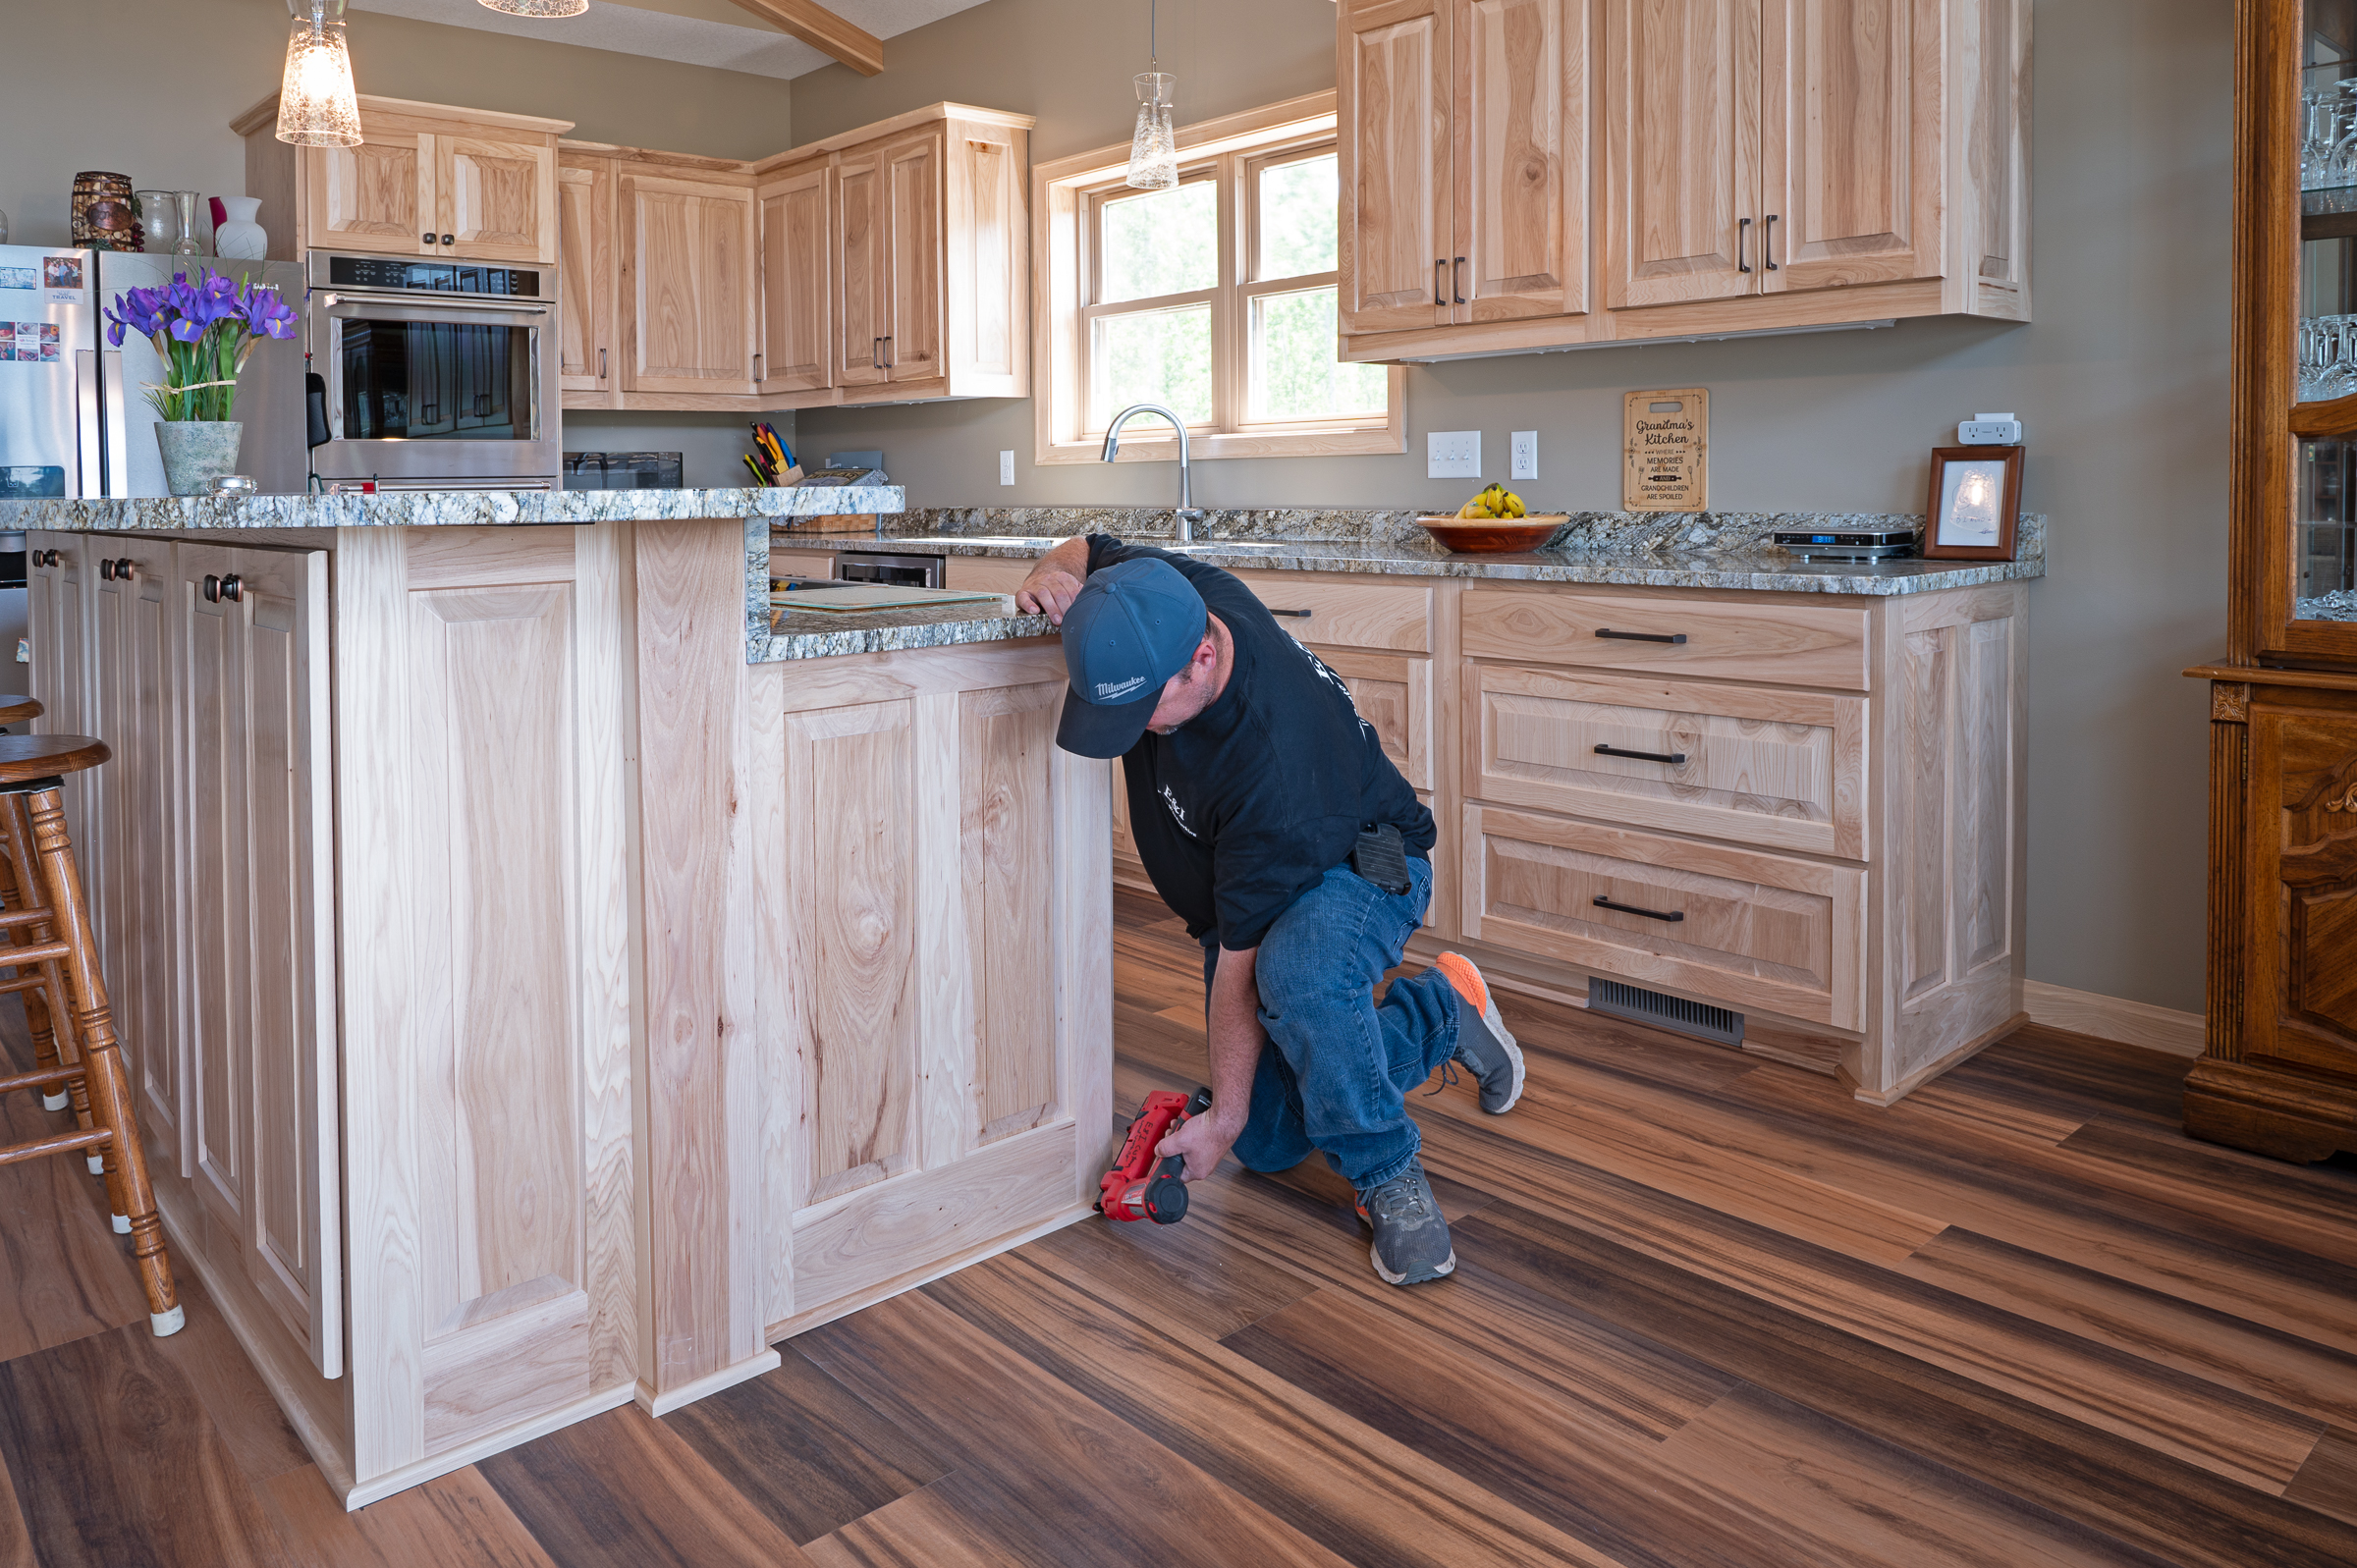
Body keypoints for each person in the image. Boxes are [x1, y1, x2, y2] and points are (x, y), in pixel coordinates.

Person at [1020, 534, 1524, 1285]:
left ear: (1202, 658)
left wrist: (1218, 1119)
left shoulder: (1274, 761)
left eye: (1142, 709)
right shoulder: (1164, 593)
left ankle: (1389, 1171)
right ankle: (1442, 1014)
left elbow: (1243, 962)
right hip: (1255, 889)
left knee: (1300, 974)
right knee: (1270, 1137)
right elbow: (1092, 547)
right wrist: (1057, 570)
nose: (1132, 733)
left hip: (1363, 861)